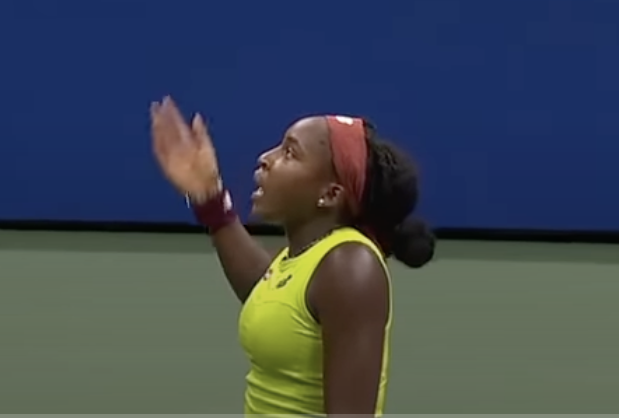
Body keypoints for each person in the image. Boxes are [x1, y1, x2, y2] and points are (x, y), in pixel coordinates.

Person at [149, 98, 435, 417]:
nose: (265, 159)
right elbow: (269, 297)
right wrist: (210, 198)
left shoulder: (350, 265)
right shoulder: (306, 256)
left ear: (330, 194)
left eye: (290, 152)